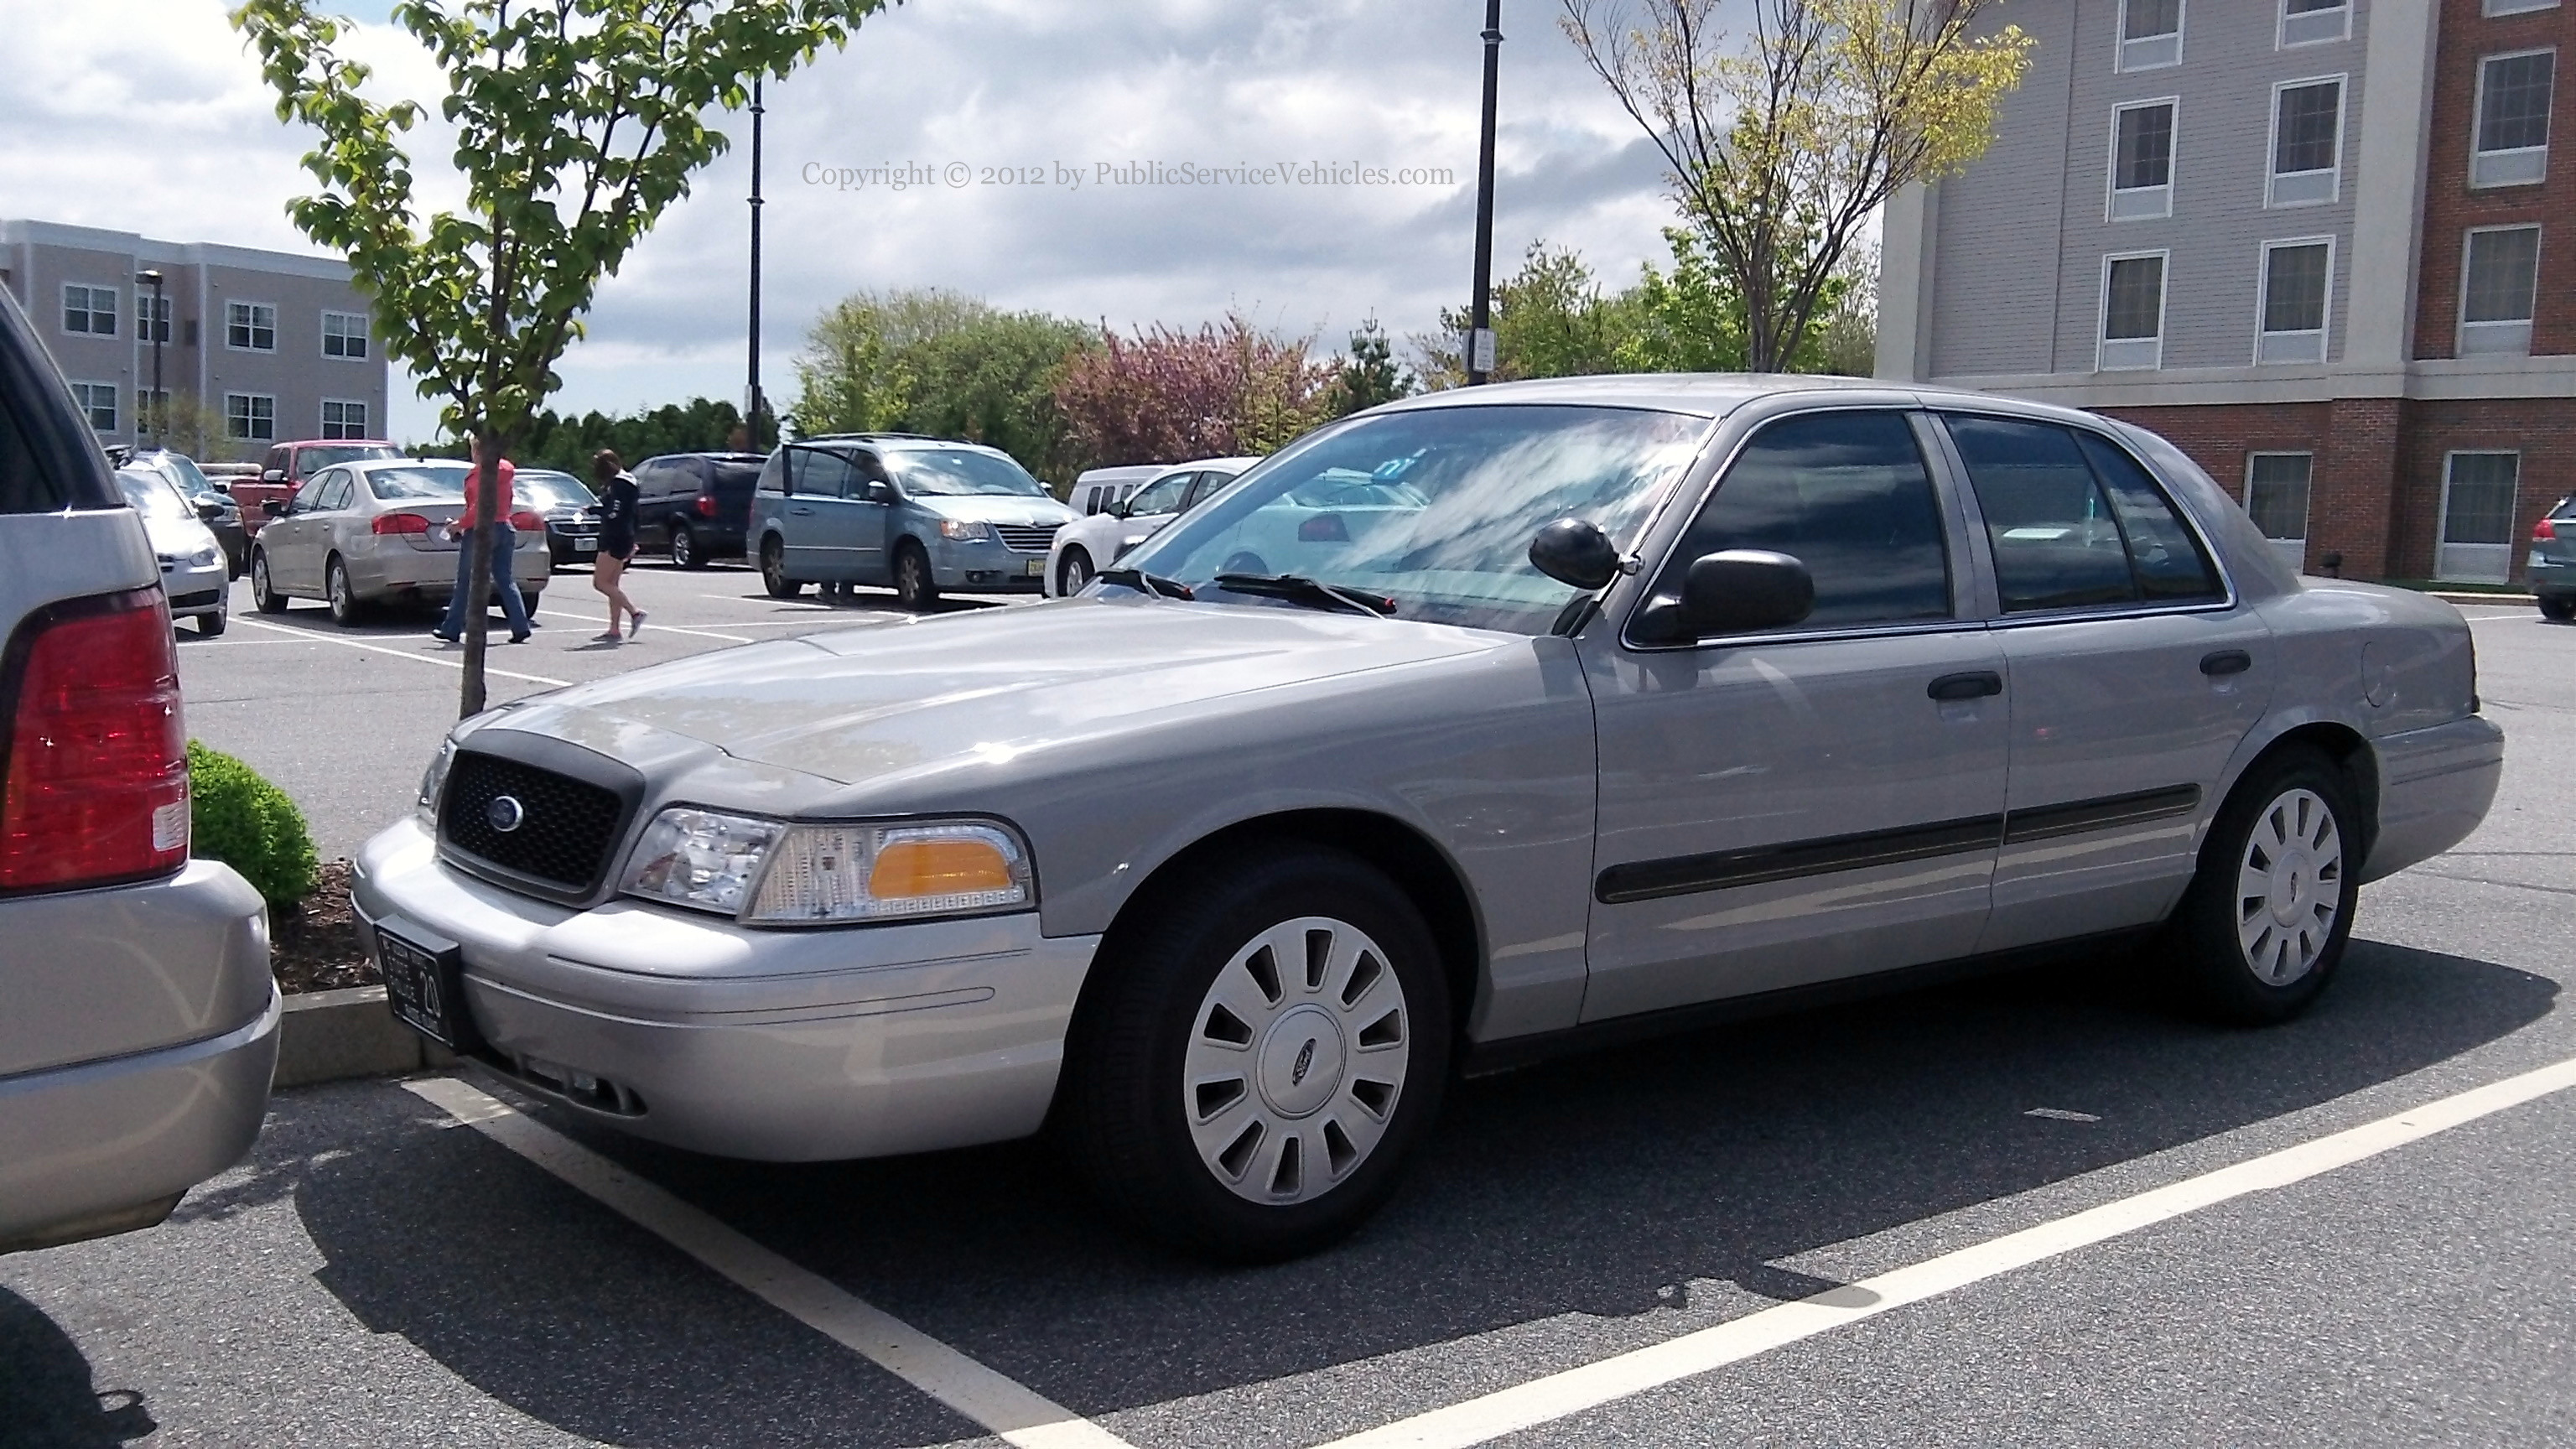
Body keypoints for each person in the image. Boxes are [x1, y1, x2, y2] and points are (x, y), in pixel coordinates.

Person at [430, 436, 535, 644]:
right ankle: (520, 625)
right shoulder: (506, 471)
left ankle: (451, 628)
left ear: (477, 451)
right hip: (505, 526)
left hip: (482, 531)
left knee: (465, 581)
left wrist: (458, 524)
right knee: (505, 579)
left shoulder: (480, 475)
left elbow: (478, 508)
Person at [589, 448, 645, 641]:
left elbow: (614, 512)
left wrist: (595, 511)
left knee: (601, 583)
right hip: (626, 535)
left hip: (614, 537)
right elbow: (634, 513)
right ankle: (614, 628)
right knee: (613, 584)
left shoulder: (619, 484)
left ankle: (635, 612)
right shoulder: (630, 481)